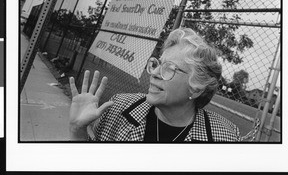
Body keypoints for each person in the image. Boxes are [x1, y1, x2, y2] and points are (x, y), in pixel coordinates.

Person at [69, 28, 240, 142]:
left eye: (169, 68)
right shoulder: (117, 108)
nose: (155, 73)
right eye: (158, 64)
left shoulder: (225, 138)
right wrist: (78, 131)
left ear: (196, 88)